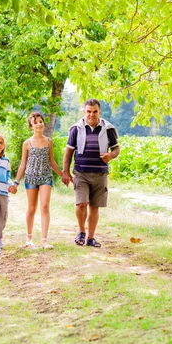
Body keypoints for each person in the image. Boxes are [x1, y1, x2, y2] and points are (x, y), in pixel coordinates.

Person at [61, 99, 120, 248]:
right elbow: (68, 151)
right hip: (81, 173)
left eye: (94, 111)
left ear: (99, 112)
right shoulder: (76, 128)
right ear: (84, 112)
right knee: (81, 204)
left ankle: (91, 238)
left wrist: (110, 155)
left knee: (94, 207)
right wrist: (65, 172)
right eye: (88, 111)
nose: (91, 115)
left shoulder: (108, 129)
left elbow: (116, 149)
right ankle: (81, 232)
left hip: (100, 174)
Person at [13, 112, 63, 249]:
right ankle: (28, 239)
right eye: (36, 122)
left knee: (45, 206)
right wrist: (16, 182)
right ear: (31, 126)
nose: (39, 124)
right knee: (31, 208)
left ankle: (45, 240)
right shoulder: (27, 144)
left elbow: (52, 162)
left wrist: (63, 174)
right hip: (31, 178)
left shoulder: (48, 141)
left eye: (41, 121)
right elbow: (23, 164)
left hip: (46, 177)